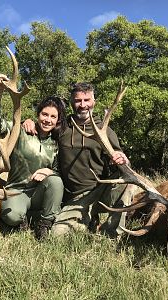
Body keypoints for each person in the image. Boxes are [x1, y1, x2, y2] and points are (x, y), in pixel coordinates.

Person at [23, 82, 135, 237]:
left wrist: (122, 159)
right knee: (58, 236)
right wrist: (28, 122)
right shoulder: (62, 127)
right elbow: (44, 125)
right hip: (75, 197)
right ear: (72, 102)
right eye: (78, 101)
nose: (83, 105)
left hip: (100, 191)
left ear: (94, 101)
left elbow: (122, 161)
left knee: (128, 182)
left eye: (87, 100)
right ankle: (88, 221)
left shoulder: (105, 130)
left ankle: (112, 234)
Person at [0, 73, 66, 240]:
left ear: (58, 120)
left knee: (55, 181)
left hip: (39, 192)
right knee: (12, 216)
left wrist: (48, 172)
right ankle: (26, 218)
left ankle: (43, 225)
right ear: (38, 114)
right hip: (17, 190)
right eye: (45, 114)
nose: (47, 120)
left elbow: (59, 172)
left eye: (53, 117)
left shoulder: (57, 142)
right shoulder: (20, 130)